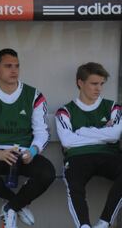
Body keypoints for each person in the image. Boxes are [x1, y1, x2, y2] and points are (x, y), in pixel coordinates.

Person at [0, 49, 55, 228]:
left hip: (24, 153)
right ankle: (17, 204)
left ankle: (10, 207)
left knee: (47, 172)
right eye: (8, 66)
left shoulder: (34, 96)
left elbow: (42, 133)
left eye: (16, 66)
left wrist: (33, 151)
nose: (14, 70)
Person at [55, 62, 122, 228]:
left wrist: (82, 131)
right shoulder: (65, 111)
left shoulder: (113, 107)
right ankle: (84, 225)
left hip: (109, 156)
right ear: (80, 82)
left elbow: (114, 136)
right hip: (78, 157)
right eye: (94, 83)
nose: (98, 88)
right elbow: (67, 141)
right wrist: (102, 133)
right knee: (74, 183)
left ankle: (104, 222)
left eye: (101, 84)